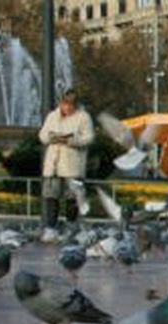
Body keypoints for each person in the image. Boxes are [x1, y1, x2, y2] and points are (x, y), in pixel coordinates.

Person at [38, 89, 94, 227]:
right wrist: (51, 138)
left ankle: (71, 224)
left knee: (72, 197)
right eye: (65, 104)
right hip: (53, 165)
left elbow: (89, 138)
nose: (68, 108)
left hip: (72, 165)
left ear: (76, 105)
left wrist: (71, 141)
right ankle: (50, 226)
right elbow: (42, 135)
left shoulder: (83, 117)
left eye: (71, 105)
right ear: (61, 103)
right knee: (51, 195)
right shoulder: (52, 116)